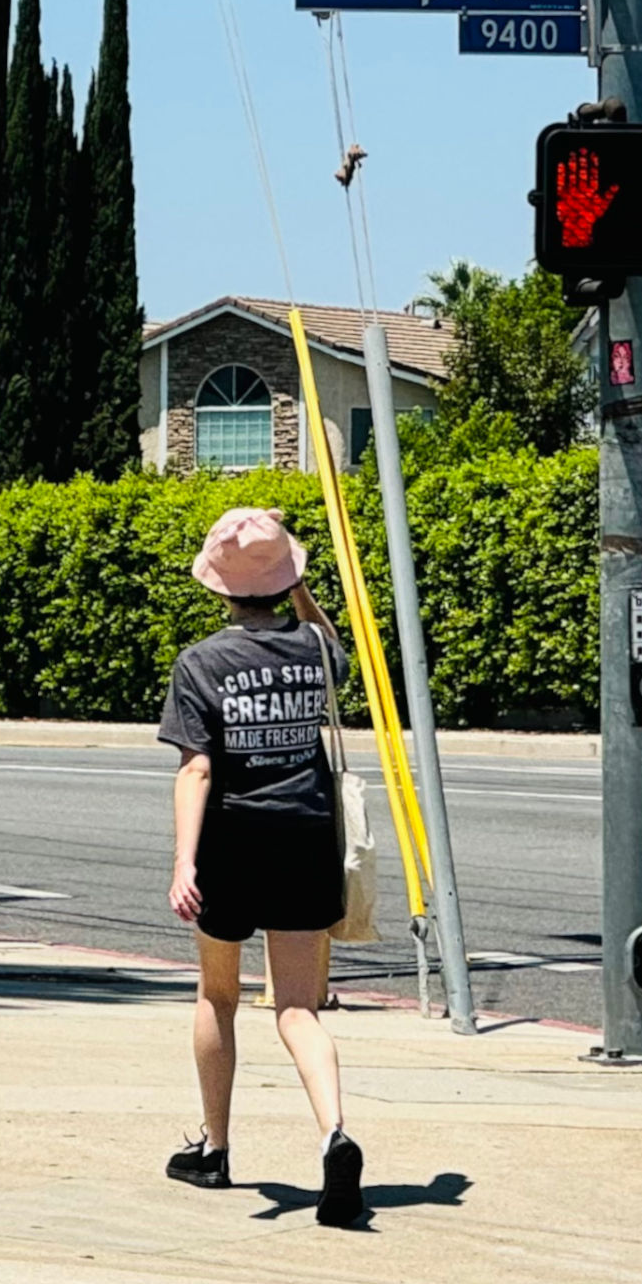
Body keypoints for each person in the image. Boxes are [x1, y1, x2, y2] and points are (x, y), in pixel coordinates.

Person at [158, 507, 364, 1228]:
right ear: (286, 581)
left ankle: (214, 1149)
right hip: (305, 835)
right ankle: (335, 1132)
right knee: (299, 1009)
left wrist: (186, 861)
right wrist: (296, 577)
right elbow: (331, 640)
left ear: (220, 586)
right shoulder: (313, 648)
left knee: (217, 994)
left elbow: (198, 770)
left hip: (232, 844)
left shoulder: (202, 663)